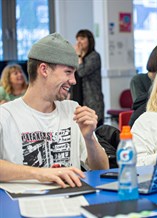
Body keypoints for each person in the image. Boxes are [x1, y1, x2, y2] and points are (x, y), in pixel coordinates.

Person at [0, 33, 109, 188]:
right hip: (22, 206)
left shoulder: (73, 110)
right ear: (44, 70)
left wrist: (89, 138)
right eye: (68, 72)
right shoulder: (5, 115)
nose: (73, 80)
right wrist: (40, 174)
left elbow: (102, 170)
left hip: (71, 202)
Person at [72, 29, 105, 127]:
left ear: (89, 40)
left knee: (93, 129)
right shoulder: (77, 58)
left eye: (82, 38)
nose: (79, 42)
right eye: (77, 39)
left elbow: (82, 72)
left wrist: (78, 55)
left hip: (92, 101)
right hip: (78, 98)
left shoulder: (94, 56)